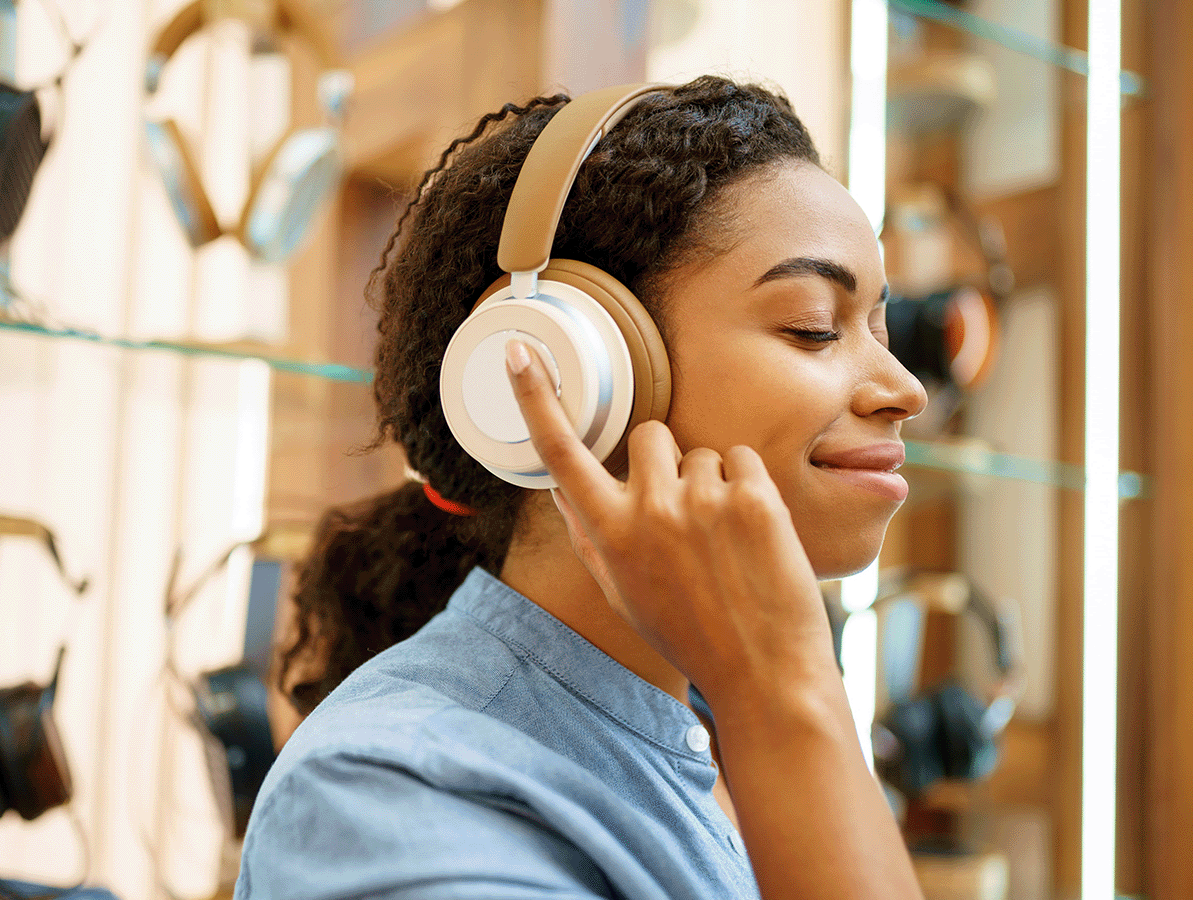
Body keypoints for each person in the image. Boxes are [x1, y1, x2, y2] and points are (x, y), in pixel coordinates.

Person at [236, 75, 928, 900]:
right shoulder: (387, 789)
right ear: (573, 367)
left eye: (879, 329)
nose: (904, 388)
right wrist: (781, 685)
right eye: (812, 326)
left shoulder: (715, 750)